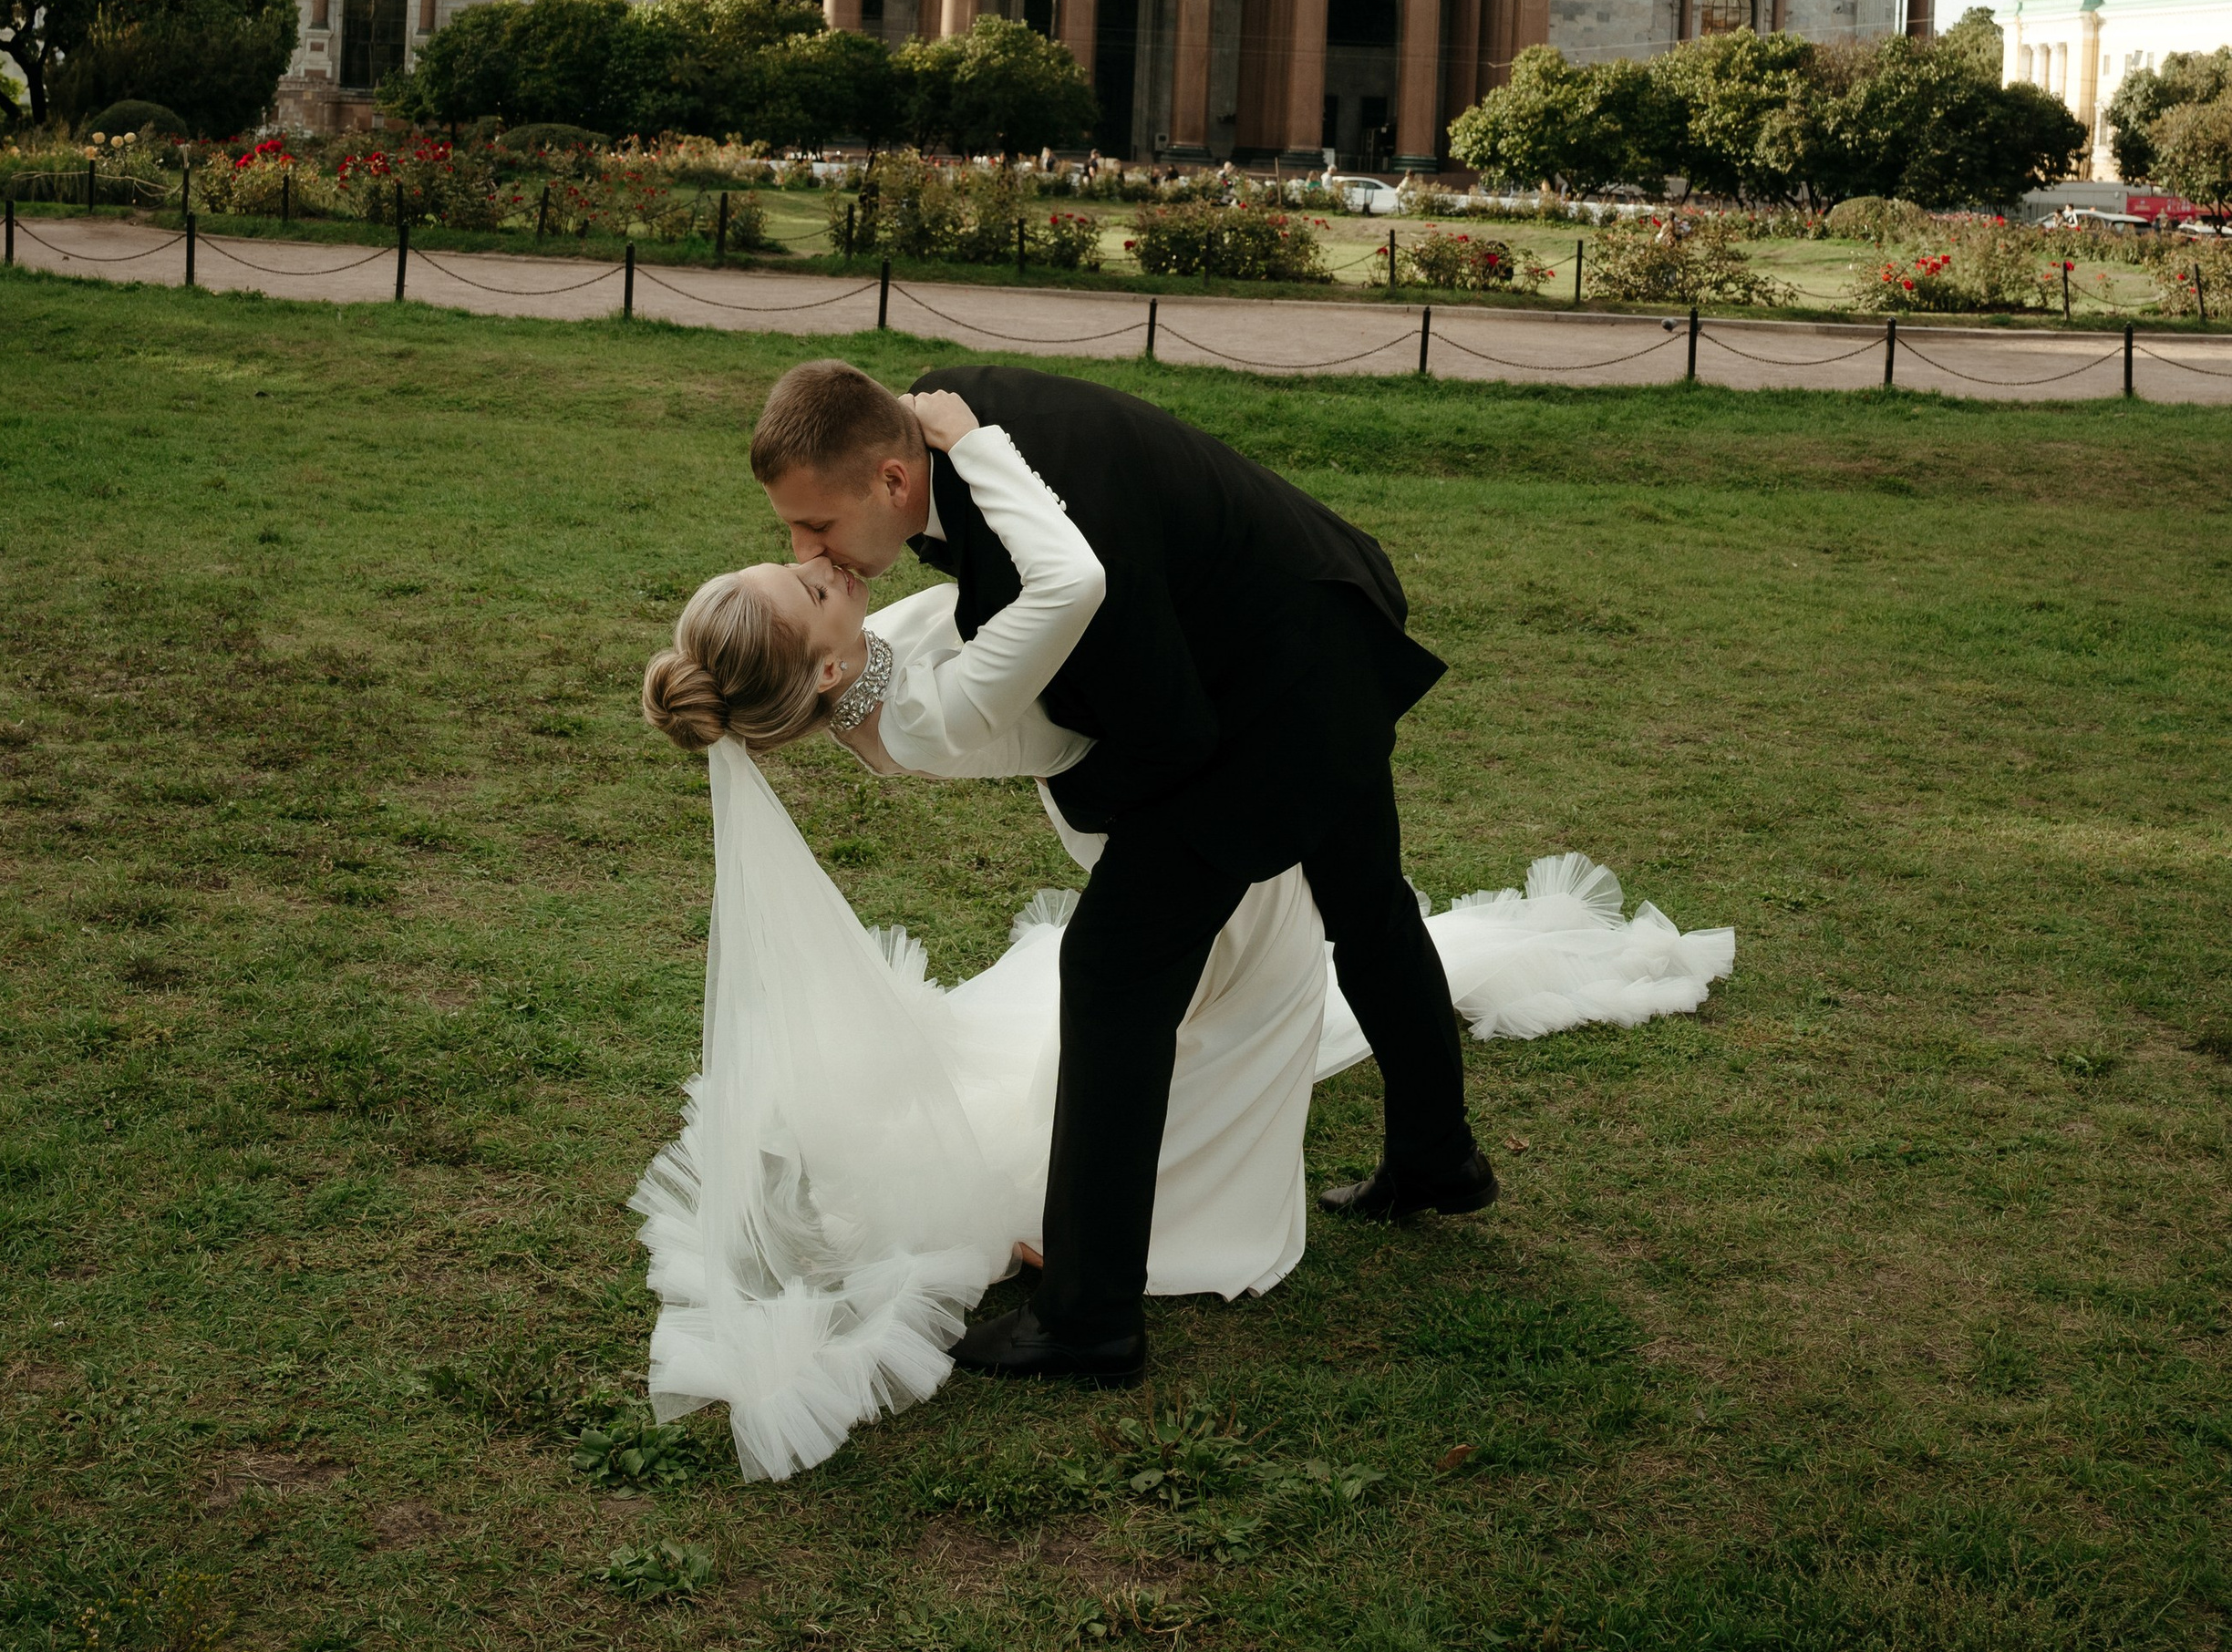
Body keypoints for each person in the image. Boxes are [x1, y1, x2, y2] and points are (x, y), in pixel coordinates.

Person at [639, 378, 1732, 1474]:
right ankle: (1436, 1157)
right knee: (1362, 901)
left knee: (1119, 967)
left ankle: (1090, 1315)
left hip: (1275, 676)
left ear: (890, 471)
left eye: (813, 530)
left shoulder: (965, 490)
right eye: (794, 544)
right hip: (1274, 643)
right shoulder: (948, 440)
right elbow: (1062, 640)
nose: (809, 550)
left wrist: (1147, 852)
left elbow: (1152, 723)